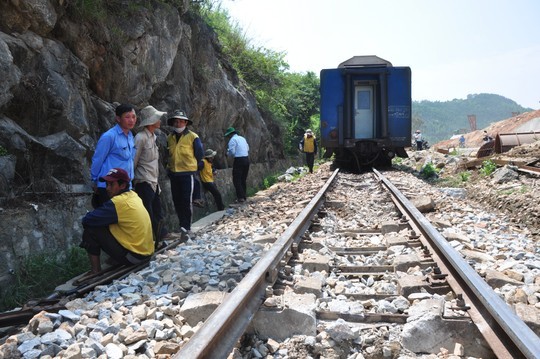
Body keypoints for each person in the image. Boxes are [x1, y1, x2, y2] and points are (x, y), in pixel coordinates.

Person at [80, 168, 154, 274]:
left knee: (91, 228)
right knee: (106, 222)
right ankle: (116, 258)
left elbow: (87, 220)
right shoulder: (134, 195)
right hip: (146, 253)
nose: (107, 188)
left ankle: (95, 270)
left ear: (122, 185)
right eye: (107, 184)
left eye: (111, 184)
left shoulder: (117, 203)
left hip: (134, 257)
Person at [133, 105, 167, 246]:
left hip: (153, 181)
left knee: (157, 211)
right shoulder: (140, 138)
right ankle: (149, 242)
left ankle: (161, 238)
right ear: (151, 121)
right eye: (157, 117)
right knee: (147, 212)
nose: (160, 120)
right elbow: (134, 161)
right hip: (143, 180)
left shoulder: (153, 137)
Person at [91, 104, 137, 207]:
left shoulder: (130, 136)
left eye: (133, 117)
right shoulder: (109, 136)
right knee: (107, 220)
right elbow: (98, 159)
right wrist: (95, 181)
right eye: (127, 117)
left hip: (125, 187)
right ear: (118, 118)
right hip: (109, 188)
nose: (131, 120)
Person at [166, 110, 204, 231]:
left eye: (181, 121)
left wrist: (194, 168)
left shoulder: (193, 137)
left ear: (186, 123)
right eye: (176, 122)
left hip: (188, 174)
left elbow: (199, 154)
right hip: (174, 174)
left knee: (186, 201)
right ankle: (181, 224)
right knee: (176, 200)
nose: (178, 124)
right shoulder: (169, 137)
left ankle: (186, 227)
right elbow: (168, 155)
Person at [224, 127, 250, 203]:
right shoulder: (242, 138)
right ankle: (244, 196)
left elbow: (232, 152)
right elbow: (247, 148)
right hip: (246, 159)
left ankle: (240, 197)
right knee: (243, 179)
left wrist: (228, 154)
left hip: (239, 160)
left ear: (230, 135)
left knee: (236, 179)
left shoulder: (232, 140)